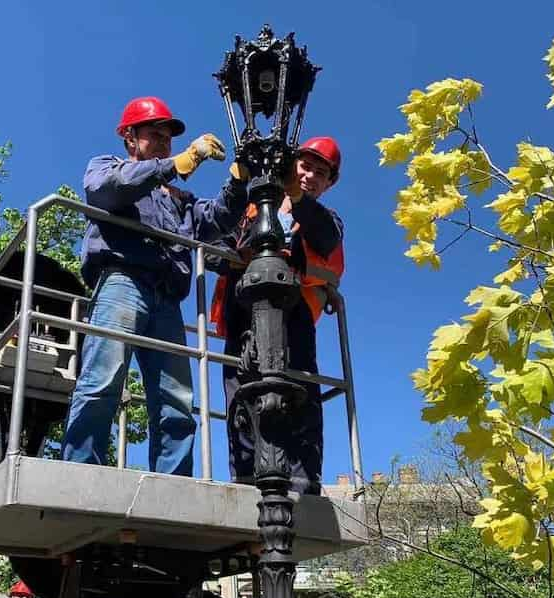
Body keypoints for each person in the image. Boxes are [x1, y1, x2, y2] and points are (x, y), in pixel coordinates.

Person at [61, 96, 248, 475]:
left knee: (176, 399)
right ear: (129, 137)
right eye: (154, 134)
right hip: (122, 283)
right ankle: (80, 471)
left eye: (169, 139)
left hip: (167, 300)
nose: (164, 142)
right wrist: (173, 167)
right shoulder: (107, 167)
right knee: (102, 381)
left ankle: (173, 481)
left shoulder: (180, 200)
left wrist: (238, 180)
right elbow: (106, 191)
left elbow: (218, 219)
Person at [210, 137, 345, 495]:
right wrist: (234, 254)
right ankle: (244, 474)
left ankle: (303, 478)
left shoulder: (323, 219)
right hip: (244, 308)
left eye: (321, 173)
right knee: (241, 389)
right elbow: (214, 250)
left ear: (329, 183)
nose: (311, 176)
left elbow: (326, 238)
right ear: (291, 166)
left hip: (293, 311)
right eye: (306, 166)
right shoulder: (251, 212)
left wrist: (296, 202)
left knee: (299, 388)